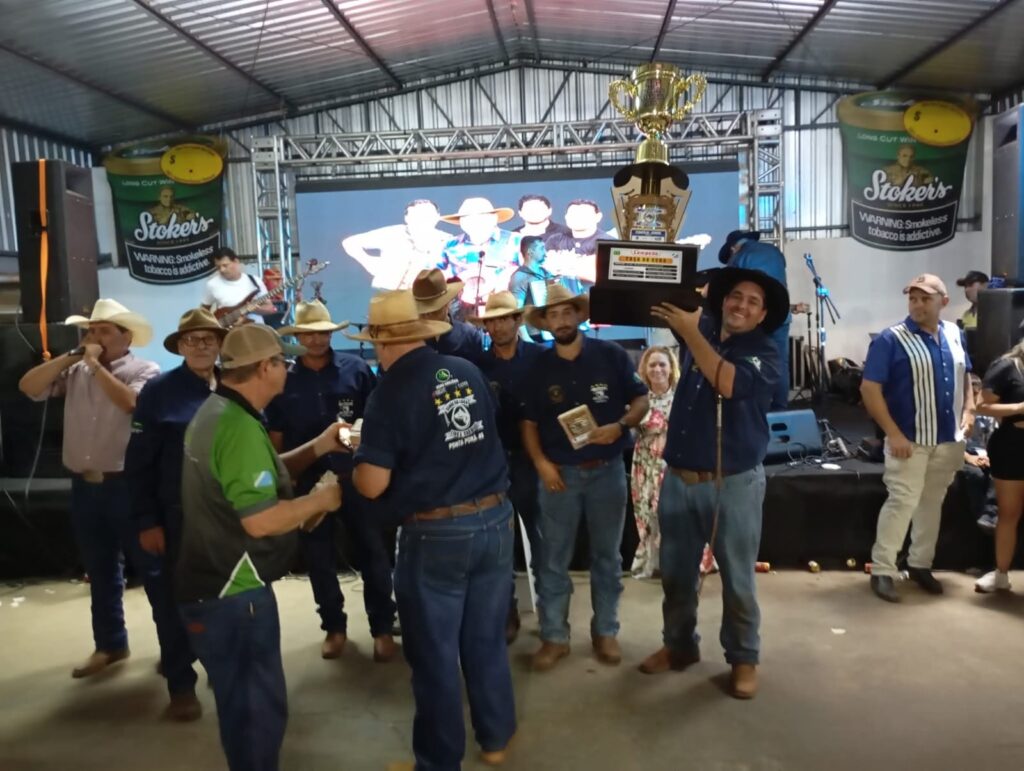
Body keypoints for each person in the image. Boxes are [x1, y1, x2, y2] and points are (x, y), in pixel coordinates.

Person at [349, 290, 516, 770]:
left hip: (437, 533)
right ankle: (495, 739)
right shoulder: (466, 371)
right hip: (495, 518)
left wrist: (359, 455)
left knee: (434, 655)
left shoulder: (388, 394)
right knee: (485, 639)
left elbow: (373, 484)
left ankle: (439, 761)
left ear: (381, 342)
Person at [176, 324, 346, 771]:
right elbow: (261, 520)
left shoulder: (219, 412)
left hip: (213, 585)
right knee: (256, 712)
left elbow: (259, 477)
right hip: (233, 592)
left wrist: (319, 446)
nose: (288, 368)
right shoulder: (238, 428)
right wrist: (322, 500)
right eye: (282, 361)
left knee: (242, 705)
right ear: (266, 368)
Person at [639, 268, 786, 701]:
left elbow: (729, 382)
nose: (741, 305)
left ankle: (743, 658)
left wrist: (690, 332)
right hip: (678, 479)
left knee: (738, 579)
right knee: (676, 577)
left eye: (753, 302)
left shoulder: (765, 351)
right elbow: (657, 296)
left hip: (732, 483)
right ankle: (679, 646)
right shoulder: (700, 328)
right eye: (735, 296)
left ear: (763, 315)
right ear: (721, 300)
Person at [18, 299, 161, 680]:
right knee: (100, 569)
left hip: (127, 486)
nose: (94, 337)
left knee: (152, 569)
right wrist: (73, 356)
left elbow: (131, 403)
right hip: (84, 485)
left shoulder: (145, 370)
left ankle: (174, 648)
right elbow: (28, 386)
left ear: (126, 337)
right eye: (91, 330)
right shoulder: (75, 369)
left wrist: (95, 366)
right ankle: (111, 644)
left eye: (104, 331)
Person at [520, 285, 649, 671]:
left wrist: (621, 425)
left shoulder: (611, 355)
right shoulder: (538, 367)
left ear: (579, 315)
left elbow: (640, 400)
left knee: (607, 557)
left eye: (566, 312)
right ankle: (554, 637)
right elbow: (528, 423)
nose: (561, 320)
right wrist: (541, 464)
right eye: (553, 315)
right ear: (545, 322)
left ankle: (605, 631)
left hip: (607, 472)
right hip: (559, 476)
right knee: (552, 559)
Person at [266, 301, 398, 662]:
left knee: (373, 552)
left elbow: (377, 420)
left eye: (323, 332)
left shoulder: (356, 369)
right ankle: (334, 627)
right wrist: (284, 481)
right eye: (309, 333)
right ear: (298, 336)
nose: (316, 339)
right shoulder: (284, 379)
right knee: (318, 558)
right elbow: (276, 435)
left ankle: (382, 628)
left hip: (356, 475)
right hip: (308, 482)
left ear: (331, 333)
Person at [125, 308, 227, 721]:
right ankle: (181, 684)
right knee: (172, 602)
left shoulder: (233, 385)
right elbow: (138, 462)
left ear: (220, 345)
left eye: (208, 339)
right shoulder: (159, 391)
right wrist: (147, 521)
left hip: (226, 517)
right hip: (175, 516)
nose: (200, 346)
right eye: (191, 340)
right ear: (180, 346)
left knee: (226, 597)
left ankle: (221, 667)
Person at [861, 274, 972, 603]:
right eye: (913, 298)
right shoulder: (891, 339)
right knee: (902, 502)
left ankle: (921, 564)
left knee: (932, 502)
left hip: (948, 439)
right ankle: (883, 569)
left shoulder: (955, 333)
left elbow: (967, 374)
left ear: (943, 302)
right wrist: (893, 433)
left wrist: (970, 409)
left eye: (925, 298)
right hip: (909, 440)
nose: (918, 304)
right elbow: (869, 389)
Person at [468, 291, 547, 642]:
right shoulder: (476, 366)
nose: (498, 326)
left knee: (543, 539)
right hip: (492, 462)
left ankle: (551, 612)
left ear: (517, 320)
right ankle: (506, 611)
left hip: (534, 459)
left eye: (504, 318)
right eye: (492, 321)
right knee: (498, 544)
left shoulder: (540, 358)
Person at [719, 229, 790, 411]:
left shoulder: (739, 256)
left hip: (752, 318)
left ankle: (754, 408)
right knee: (780, 363)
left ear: (733, 248)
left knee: (746, 360)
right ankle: (780, 409)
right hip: (781, 316)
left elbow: (731, 286)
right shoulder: (775, 252)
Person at [973, 341, 1024, 592]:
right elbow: (981, 406)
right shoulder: (1007, 366)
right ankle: (1000, 574)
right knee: (1009, 513)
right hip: (1013, 446)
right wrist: (1020, 408)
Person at [629, 346, 680, 580]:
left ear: (671, 368)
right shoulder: (639, 400)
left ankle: (679, 563)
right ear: (644, 370)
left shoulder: (681, 398)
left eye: (662, 364)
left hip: (673, 461)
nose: (657, 369)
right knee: (648, 512)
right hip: (645, 461)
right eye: (652, 365)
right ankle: (653, 562)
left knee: (673, 512)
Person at [437, 197, 521, 315]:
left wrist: (507, 276)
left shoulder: (515, 240)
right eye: (466, 218)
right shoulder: (450, 245)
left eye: (480, 216)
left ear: (494, 218)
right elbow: (435, 276)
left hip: (505, 311)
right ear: (461, 222)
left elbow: (533, 274)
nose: (473, 222)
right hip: (460, 313)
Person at [342, 199, 450, 289]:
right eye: (417, 215)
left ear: (437, 217)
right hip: (388, 297)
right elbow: (350, 242)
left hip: (428, 300)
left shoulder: (447, 240)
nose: (423, 219)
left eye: (428, 215)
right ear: (407, 218)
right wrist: (369, 262)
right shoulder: (392, 234)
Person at [413, 268, 488, 368]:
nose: (428, 316)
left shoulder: (469, 337)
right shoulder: (410, 339)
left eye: (434, 311)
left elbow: (478, 372)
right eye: (423, 312)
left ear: (447, 303)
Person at [545, 199, 611, 294]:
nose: (577, 218)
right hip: (557, 295)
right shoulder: (555, 239)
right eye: (572, 214)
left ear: (598, 217)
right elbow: (544, 267)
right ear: (566, 217)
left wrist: (561, 265)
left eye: (584, 214)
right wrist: (580, 265)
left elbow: (598, 275)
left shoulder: (607, 242)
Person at [960, 373, 998, 533]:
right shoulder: (957, 416)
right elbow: (952, 442)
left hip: (986, 454)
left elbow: (993, 437)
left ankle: (991, 513)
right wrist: (969, 458)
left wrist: (990, 456)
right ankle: (979, 515)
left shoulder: (988, 416)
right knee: (976, 475)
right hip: (965, 454)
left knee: (998, 472)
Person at [200, 247, 276, 325]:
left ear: (236, 261)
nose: (222, 270)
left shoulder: (255, 281)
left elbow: (271, 309)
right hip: (229, 331)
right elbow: (203, 312)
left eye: (225, 265)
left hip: (256, 329)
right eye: (218, 267)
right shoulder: (212, 284)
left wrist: (256, 309)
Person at [508, 236, 556, 343]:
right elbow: (516, 311)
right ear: (530, 252)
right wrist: (527, 340)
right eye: (541, 248)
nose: (545, 253)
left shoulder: (546, 273)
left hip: (552, 333)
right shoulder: (519, 277)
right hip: (534, 337)